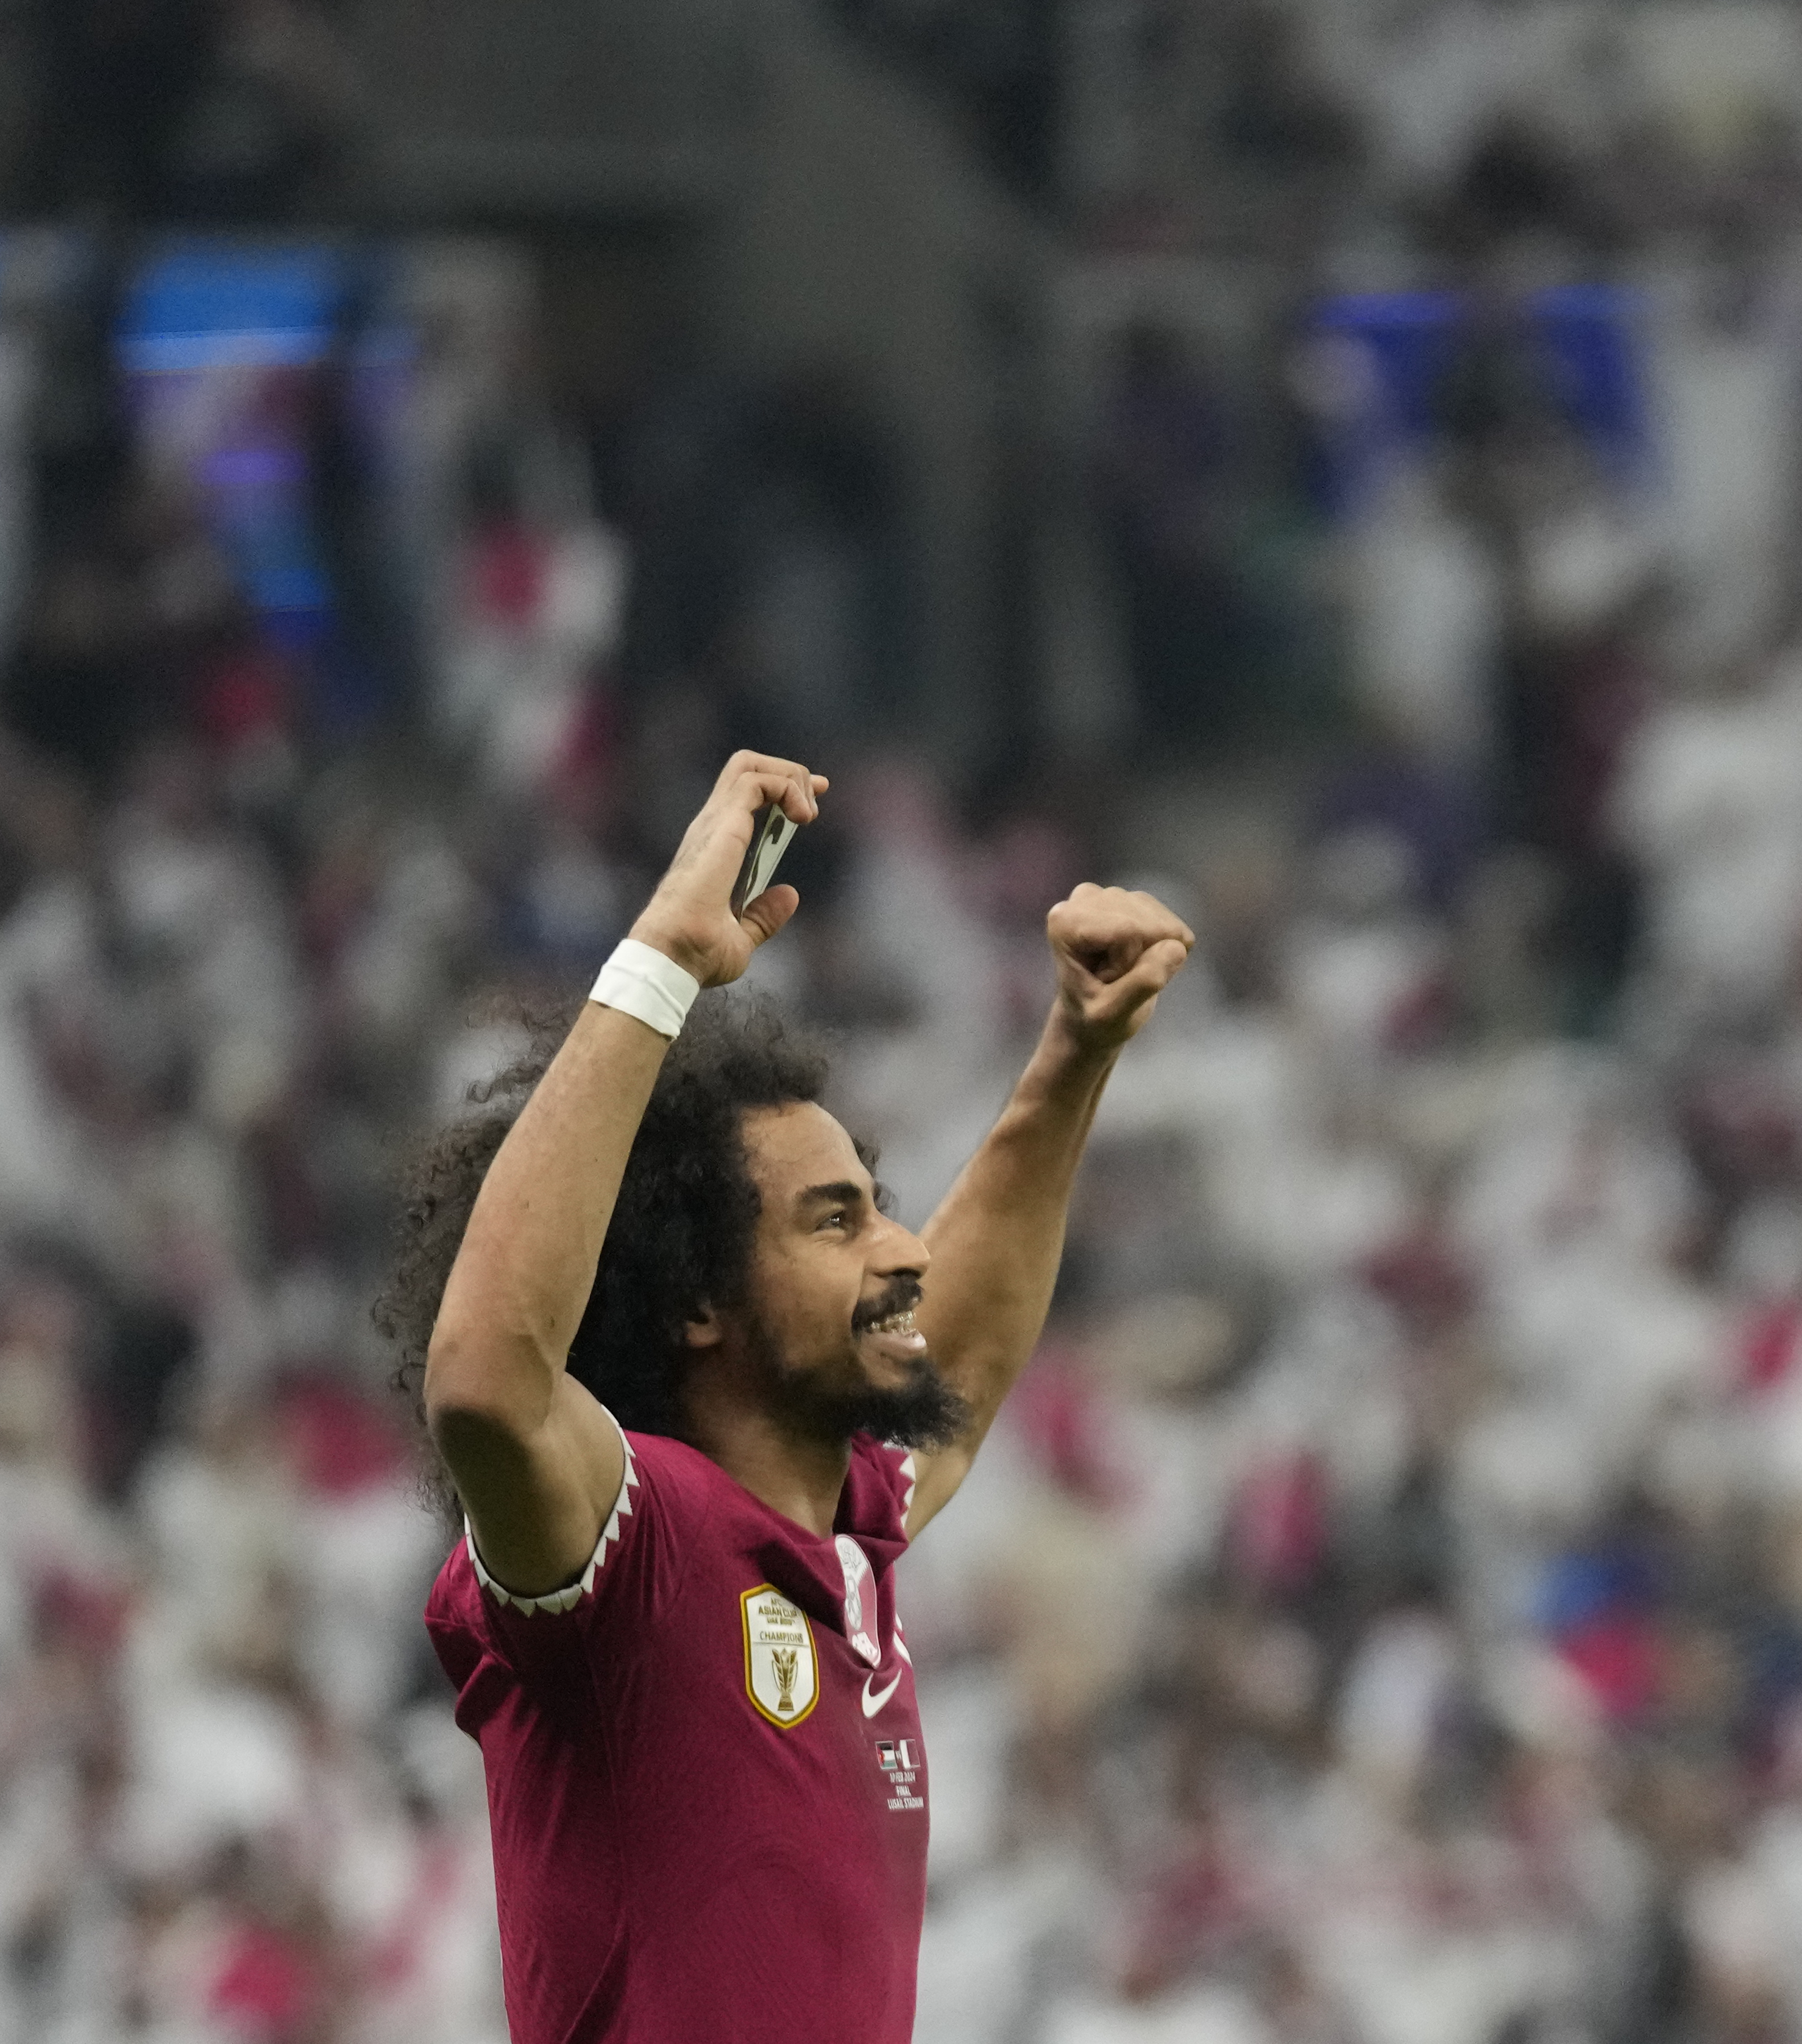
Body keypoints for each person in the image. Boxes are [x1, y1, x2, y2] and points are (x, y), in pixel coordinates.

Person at [377, 749, 1195, 2042]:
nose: (904, 1250)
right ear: (699, 1302)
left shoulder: (839, 1543)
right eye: (835, 1221)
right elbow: (485, 1380)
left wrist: (1072, 1055)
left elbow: (963, 1374)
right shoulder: (629, 1549)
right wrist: (659, 961)